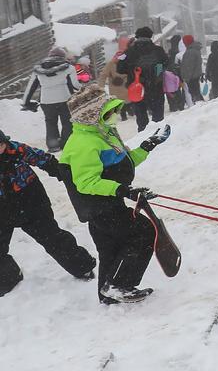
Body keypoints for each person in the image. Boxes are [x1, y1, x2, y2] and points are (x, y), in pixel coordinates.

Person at [58, 84, 169, 305]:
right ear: (91, 115)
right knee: (144, 232)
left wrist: (147, 146)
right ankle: (118, 286)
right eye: (109, 111)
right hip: (100, 207)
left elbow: (122, 165)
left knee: (111, 248)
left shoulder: (102, 134)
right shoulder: (83, 143)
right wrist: (122, 190)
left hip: (108, 204)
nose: (115, 114)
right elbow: (86, 182)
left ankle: (108, 296)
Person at [1, 128, 95, 296]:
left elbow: (42, 159)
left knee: (52, 238)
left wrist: (63, 173)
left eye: (1, 144)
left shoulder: (16, 149)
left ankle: (83, 267)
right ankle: (8, 279)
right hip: (3, 210)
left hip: (31, 203)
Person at [22, 46, 82, 152]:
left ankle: (53, 145)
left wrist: (26, 102)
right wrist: (83, 88)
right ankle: (67, 144)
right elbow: (75, 85)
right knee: (67, 122)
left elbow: (31, 87)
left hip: (46, 101)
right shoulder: (69, 67)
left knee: (50, 122)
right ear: (63, 56)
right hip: (65, 99)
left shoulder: (38, 70)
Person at [117, 26, 169, 130]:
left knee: (141, 117)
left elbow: (120, 69)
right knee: (158, 117)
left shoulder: (129, 52)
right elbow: (165, 64)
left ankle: (143, 134)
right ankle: (158, 134)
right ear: (151, 36)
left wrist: (132, 71)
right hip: (155, 87)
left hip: (137, 88)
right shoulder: (158, 50)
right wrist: (156, 73)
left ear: (137, 37)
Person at [179, 34, 204, 106]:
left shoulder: (190, 52)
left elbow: (188, 66)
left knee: (194, 94)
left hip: (191, 77)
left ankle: (199, 106)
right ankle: (200, 105)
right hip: (195, 75)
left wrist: (186, 77)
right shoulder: (195, 50)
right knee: (196, 92)